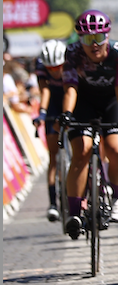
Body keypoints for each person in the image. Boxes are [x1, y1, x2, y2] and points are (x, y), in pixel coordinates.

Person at [61, 10, 118, 239]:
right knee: (81, 152)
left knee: (116, 149)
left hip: (112, 101)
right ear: (79, 40)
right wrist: (66, 113)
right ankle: (74, 214)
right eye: (86, 39)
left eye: (98, 38)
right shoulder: (73, 52)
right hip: (83, 102)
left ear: (107, 36)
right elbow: (71, 88)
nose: (93, 45)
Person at [34, 40, 67, 222]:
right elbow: (44, 90)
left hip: (71, 96)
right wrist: (42, 113)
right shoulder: (40, 66)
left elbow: (74, 89)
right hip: (53, 102)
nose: (55, 71)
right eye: (50, 68)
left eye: (58, 67)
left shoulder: (72, 62)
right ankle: (53, 203)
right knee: (53, 155)